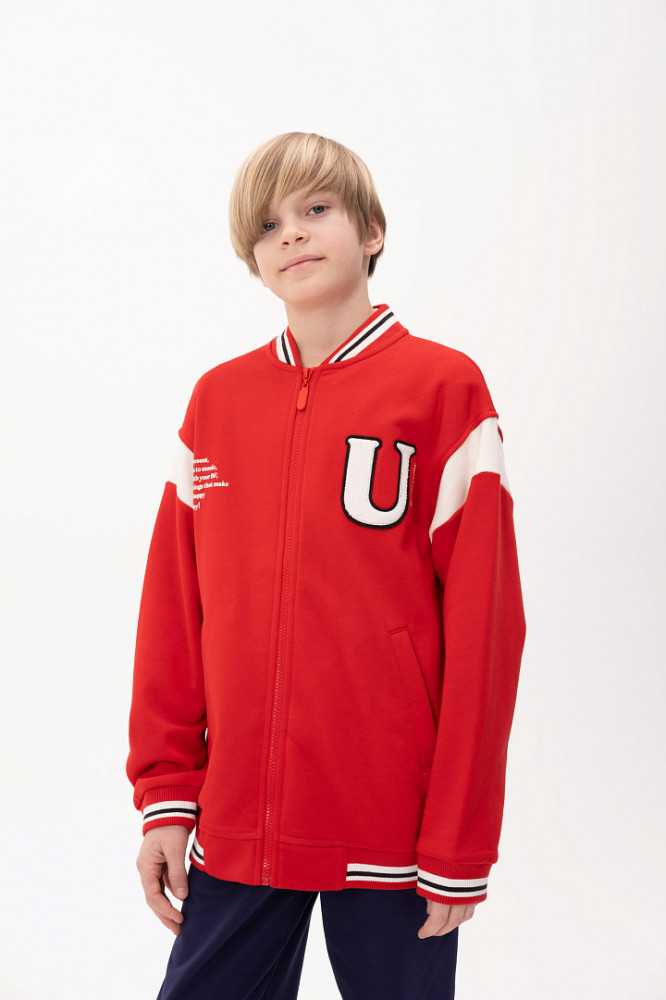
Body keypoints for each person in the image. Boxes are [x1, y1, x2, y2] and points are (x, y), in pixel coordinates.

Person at [126, 131, 527, 1000]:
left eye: (317, 209)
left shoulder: (444, 390)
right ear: (254, 259)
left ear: (372, 231)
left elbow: (486, 633)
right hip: (239, 823)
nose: (293, 235)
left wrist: (460, 839)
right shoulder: (218, 402)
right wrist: (167, 795)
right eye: (269, 226)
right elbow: (174, 616)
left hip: (395, 833)